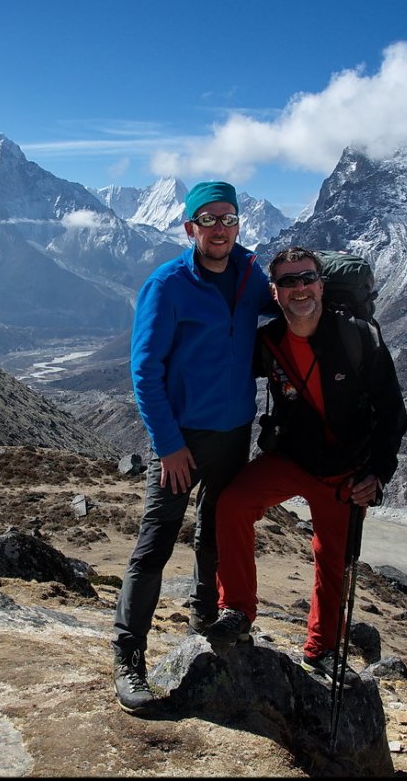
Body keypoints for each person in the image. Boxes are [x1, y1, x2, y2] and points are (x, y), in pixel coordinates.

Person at [205, 246, 407, 680]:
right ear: (274, 293)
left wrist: (377, 474)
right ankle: (236, 610)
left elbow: (392, 413)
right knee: (233, 503)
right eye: (287, 282)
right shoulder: (269, 342)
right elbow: (221, 368)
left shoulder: (358, 338)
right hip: (292, 459)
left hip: (345, 471)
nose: (299, 288)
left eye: (307, 278)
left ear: (321, 284)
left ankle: (321, 650)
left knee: (333, 560)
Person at [112, 180, 276, 714]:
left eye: (228, 218)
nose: (221, 229)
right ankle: (128, 657)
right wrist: (168, 446)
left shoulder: (251, 277)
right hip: (181, 441)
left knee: (217, 532)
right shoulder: (168, 284)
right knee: (155, 544)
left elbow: (289, 303)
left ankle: (205, 622)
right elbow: (145, 371)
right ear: (190, 229)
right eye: (209, 220)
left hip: (233, 434)